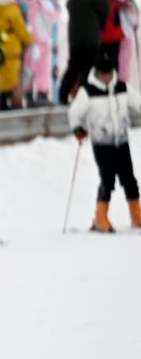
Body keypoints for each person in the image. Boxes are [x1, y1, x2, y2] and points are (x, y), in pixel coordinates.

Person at [68, 53, 141, 231]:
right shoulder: (88, 91)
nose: (106, 76)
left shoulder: (121, 87)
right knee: (107, 179)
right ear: (97, 72)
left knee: (129, 178)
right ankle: (100, 217)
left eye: (109, 72)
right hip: (102, 143)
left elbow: (138, 103)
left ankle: (136, 213)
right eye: (103, 73)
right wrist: (78, 128)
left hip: (121, 141)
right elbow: (74, 113)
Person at [60, 0, 109, 104]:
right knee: (88, 69)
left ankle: (63, 95)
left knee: (73, 69)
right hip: (91, 40)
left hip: (75, 41)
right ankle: (84, 96)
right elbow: (106, 9)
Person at [0, 0, 34, 111]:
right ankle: (4, 104)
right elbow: (21, 29)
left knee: (3, 77)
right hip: (11, 48)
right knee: (12, 78)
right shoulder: (11, 9)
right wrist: (31, 41)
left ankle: (2, 103)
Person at [19, 0, 60, 107]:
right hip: (41, 40)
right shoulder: (41, 0)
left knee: (28, 69)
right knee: (42, 69)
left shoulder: (21, 2)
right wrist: (56, 6)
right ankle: (42, 95)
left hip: (26, 41)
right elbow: (54, 17)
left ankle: (29, 96)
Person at [96, 0, 128, 76]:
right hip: (114, 33)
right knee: (115, 63)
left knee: (101, 64)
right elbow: (124, 4)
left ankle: (102, 86)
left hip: (100, 34)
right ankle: (115, 87)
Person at [114, 0, 138, 87]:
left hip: (120, 34)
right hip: (125, 34)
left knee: (121, 62)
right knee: (123, 62)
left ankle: (121, 86)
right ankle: (122, 86)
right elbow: (134, 19)